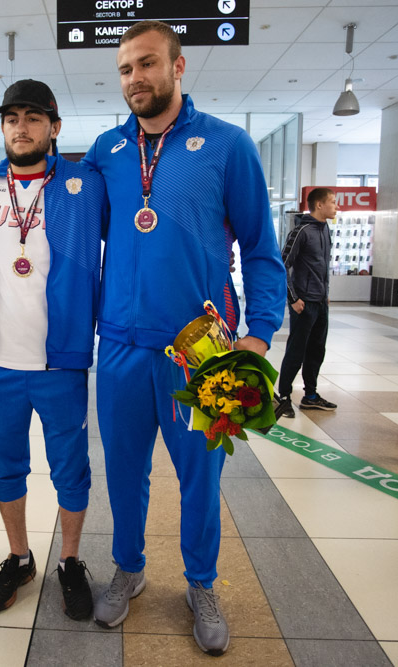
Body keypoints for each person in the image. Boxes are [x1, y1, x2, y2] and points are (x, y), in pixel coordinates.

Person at [81, 21, 286, 656]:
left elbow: (259, 248)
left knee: (200, 474)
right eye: (124, 69)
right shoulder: (105, 151)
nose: (134, 78)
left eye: (146, 64)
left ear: (178, 66)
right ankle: (129, 569)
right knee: (123, 471)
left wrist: (260, 333)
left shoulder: (227, 145)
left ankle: (201, 583)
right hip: (118, 346)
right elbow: (57, 206)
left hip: (200, 350)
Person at [0, 80, 104, 620]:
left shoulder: (87, 184)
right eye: (12, 117)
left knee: (70, 468)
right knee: (6, 467)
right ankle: (19, 556)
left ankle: (70, 560)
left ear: (54, 128)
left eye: (34, 117)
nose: (21, 126)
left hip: (61, 359)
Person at [274, 187, 338, 419]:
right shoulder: (301, 231)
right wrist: (293, 298)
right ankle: (283, 396)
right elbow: (282, 265)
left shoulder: (325, 229)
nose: (335, 206)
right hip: (304, 303)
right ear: (319, 205)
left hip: (320, 302)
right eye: (332, 202)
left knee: (316, 351)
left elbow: (322, 266)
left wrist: (325, 293)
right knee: (296, 351)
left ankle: (310, 396)